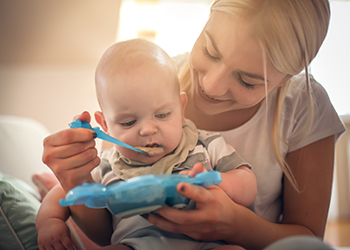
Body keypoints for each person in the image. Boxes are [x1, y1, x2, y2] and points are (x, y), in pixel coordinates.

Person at [40, 0, 345, 249]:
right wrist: (76, 179)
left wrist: (234, 224)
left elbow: (307, 242)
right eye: (210, 50)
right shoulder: (146, 84)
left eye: (247, 80)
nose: (211, 86)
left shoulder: (302, 106)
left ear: (287, 78)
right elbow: (106, 230)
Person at [36, 38, 257, 250]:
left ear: (181, 110)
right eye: (129, 122)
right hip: (135, 245)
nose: (148, 129)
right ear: (105, 125)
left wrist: (220, 183)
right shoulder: (104, 164)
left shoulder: (205, 144)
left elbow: (248, 184)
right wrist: (49, 222)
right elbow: (63, 193)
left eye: (162, 115)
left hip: (208, 243)